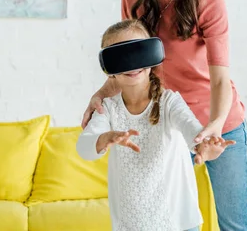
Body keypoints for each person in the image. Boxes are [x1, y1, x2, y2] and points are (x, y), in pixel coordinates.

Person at [81, 0, 247, 230]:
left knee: (235, 225)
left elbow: (220, 80)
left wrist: (215, 125)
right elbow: (130, 66)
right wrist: (102, 93)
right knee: (165, 221)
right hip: (167, 125)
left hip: (221, 124)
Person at [77, 19, 235, 231]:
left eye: (138, 52)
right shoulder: (109, 109)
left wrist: (204, 145)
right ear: (109, 67)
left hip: (178, 222)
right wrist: (106, 138)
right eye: (121, 56)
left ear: (151, 57)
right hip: (130, 224)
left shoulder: (169, 102)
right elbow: (84, 147)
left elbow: (192, 129)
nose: (132, 64)